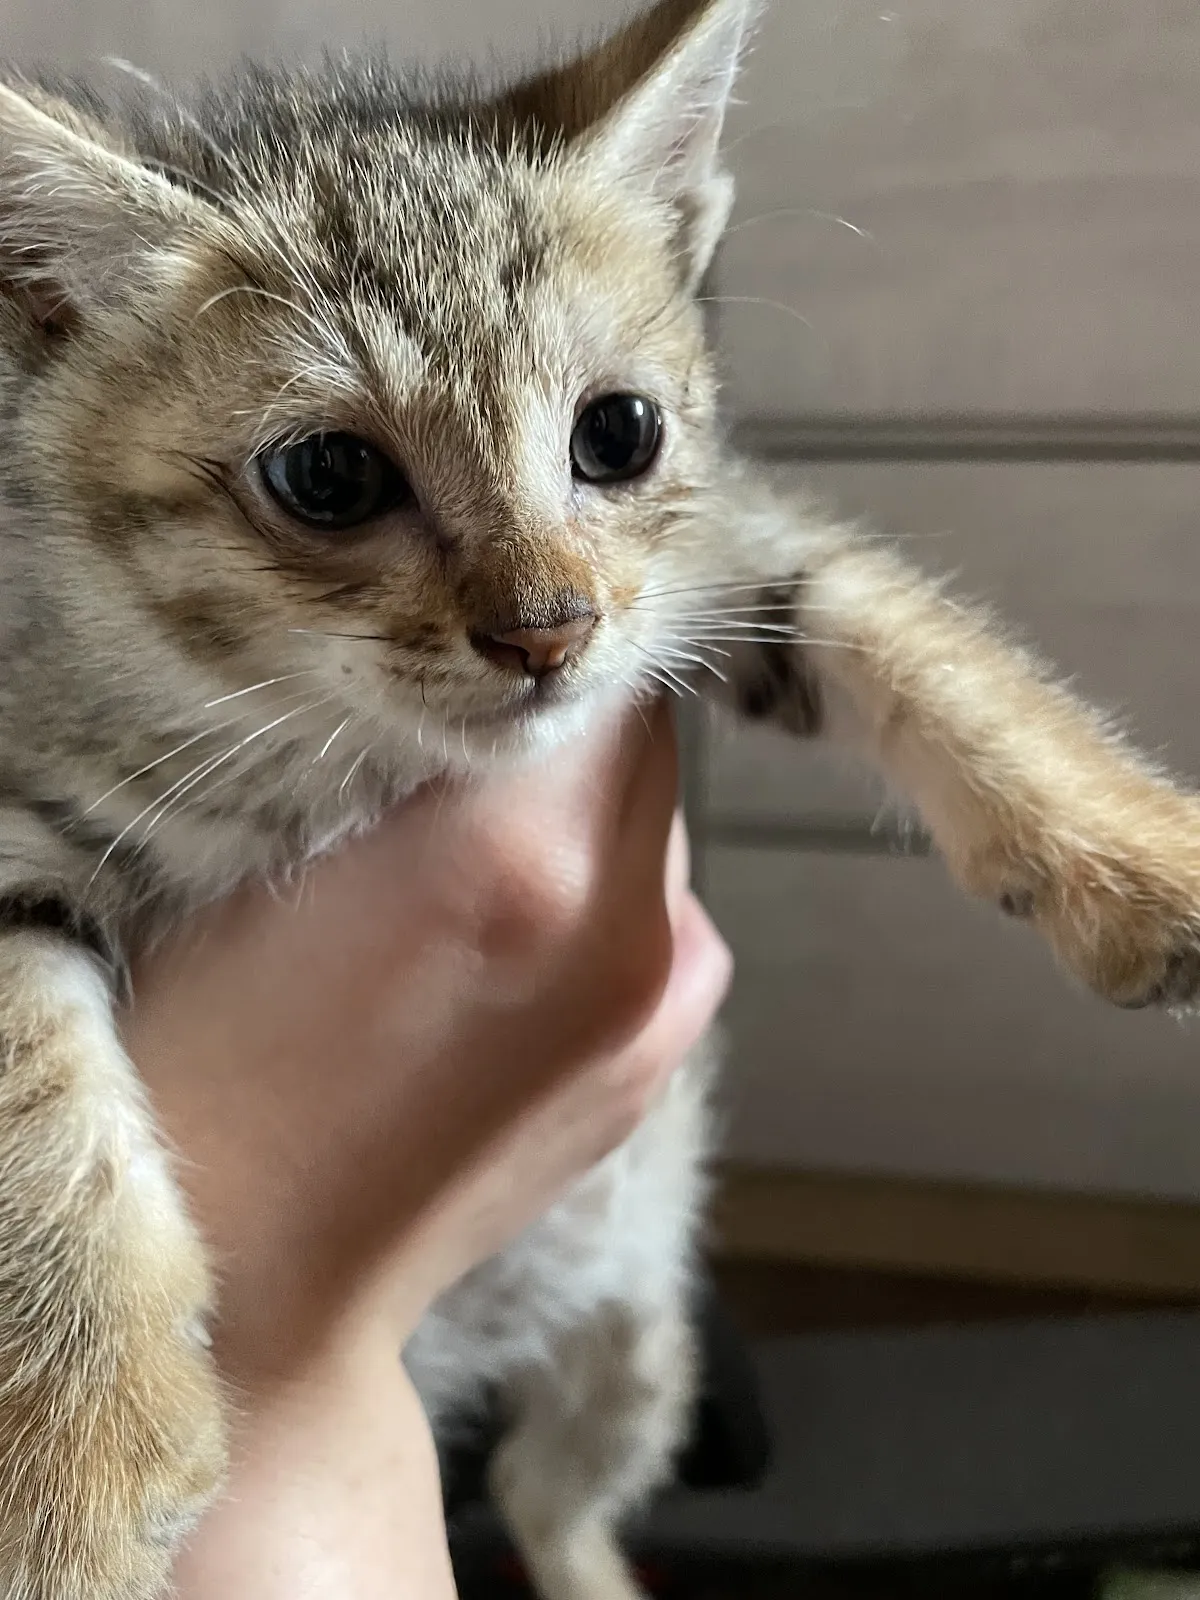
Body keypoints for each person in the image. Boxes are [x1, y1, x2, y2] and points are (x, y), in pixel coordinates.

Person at [118, 698, 732, 1599]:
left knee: (621, 1383)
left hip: (593, 1173)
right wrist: (289, 1347)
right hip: (206, 1332)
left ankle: (563, 1522)